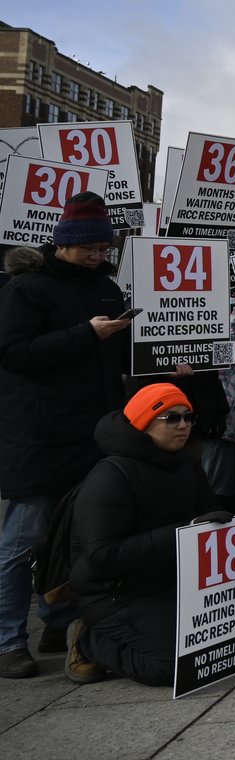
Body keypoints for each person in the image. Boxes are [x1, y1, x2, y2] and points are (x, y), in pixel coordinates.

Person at [0, 193, 132, 678]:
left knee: (77, 538)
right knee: (23, 540)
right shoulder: (26, 288)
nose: (97, 256)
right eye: (89, 249)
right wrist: (86, 334)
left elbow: (118, 356)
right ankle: (9, 641)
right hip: (39, 435)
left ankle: (59, 623)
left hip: (92, 433)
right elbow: (13, 353)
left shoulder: (107, 289)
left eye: (103, 249)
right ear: (62, 244)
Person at [66, 383, 223, 685]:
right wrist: (184, 531)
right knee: (175, 667)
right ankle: (88, 639)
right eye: (172, 418)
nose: (183, 425)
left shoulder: (187, 464)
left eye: (188, 417)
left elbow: (211, 518)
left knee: (221, 648)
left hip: (168, 580)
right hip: (114, 592)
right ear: (143, 422)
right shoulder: (110, 475)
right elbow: (103, 556)